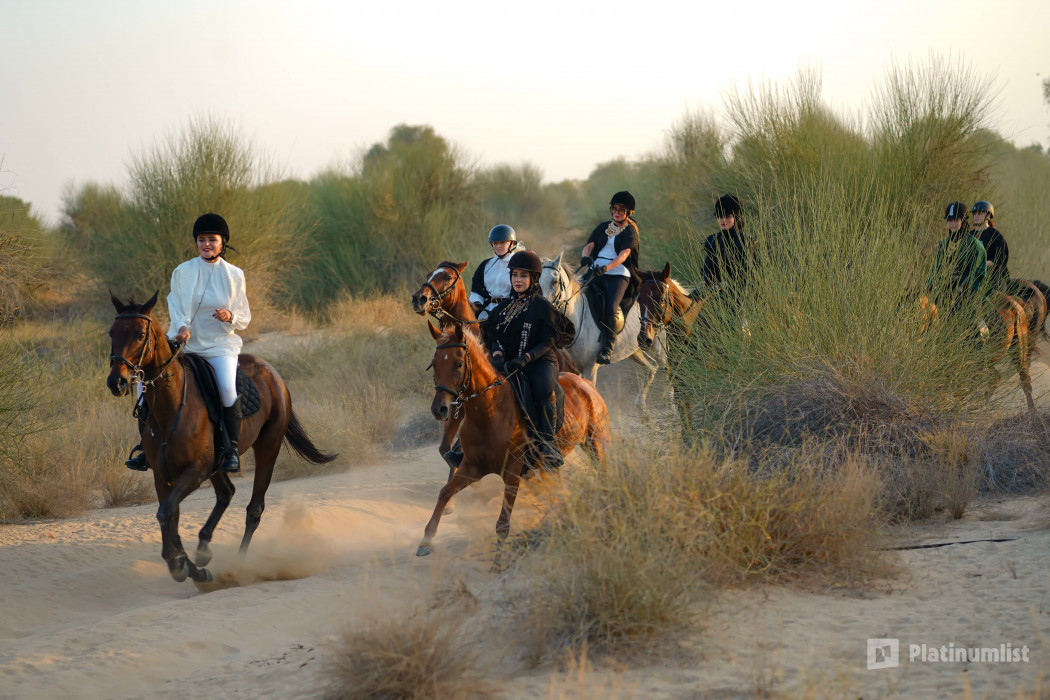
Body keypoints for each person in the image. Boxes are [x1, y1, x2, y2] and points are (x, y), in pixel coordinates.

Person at [124, 212, 251, 473]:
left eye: (212, 239)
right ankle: (145, 450)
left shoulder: (235, 275)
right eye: (201, 239)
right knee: (143, 387)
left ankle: (231, 449)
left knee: (227, 389)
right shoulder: (182, 272)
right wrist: (181, 327)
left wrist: (231, 316)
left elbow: (244, 316)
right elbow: (176, 304)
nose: (206, 244)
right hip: (185, 345)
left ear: (222, 242)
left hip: (219, 345)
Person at [483, 250, 564, 469]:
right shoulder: (502, 308)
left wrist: (526, 358)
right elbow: (494, 337)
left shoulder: (543, 307)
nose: (518, 280)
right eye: (515, 275)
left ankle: (547, 445)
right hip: (509, 362)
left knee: (544, 389)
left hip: (540, 361)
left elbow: (548, 342)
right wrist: (498, 355)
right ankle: (466, 446)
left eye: (523, 276)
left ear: (533, 279)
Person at [579, 191, 641, 364]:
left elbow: (623, 256)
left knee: (611, 308)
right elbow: (589, 245)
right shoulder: (602, 227)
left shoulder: (630, 232)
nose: (617, 211)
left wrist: (607, 267)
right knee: (574, 295)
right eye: (615, 208)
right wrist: (586, 257)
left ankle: (608, 347)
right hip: (596, 268)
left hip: (618, 273)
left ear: (628, 213)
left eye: (621, 209)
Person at [926, 201, 987, 328]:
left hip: (967, 293)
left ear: (963, 221)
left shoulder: (975, 245)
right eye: (949, 220)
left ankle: (980, 339)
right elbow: (935, 269)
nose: (952, 223)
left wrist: (961, 287)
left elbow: (977, 273)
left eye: (956, 220)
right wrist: (929, 285)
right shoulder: (943, 244)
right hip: (944, 290)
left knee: (973, 325)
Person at [697, 194, 752, 296]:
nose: (723, 220)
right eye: (720, 216)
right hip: (714, 295)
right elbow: (707, 269)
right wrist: (704, 283)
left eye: (727, 216)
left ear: (736, 217)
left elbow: (746, 272)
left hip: (740, 295)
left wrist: (724, 284)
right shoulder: (713, 240)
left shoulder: (746, 241)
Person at [469, 224, 527, 320]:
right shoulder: (485, 265)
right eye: (495, 243)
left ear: (511, 244)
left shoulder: (520, 265)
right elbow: (476, 291)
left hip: (512, 313)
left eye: (502, 243)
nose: (498, 246)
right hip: (487, 312)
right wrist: (477, 302)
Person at [971, 200, 1012, 292]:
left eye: (980, 213)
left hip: (993, 279)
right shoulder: (970, 235)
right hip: (972, 277)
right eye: (975, 214)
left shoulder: (996, 236)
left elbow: (999, 261)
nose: (976, 216)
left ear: (988, 216)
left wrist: (982, 264)